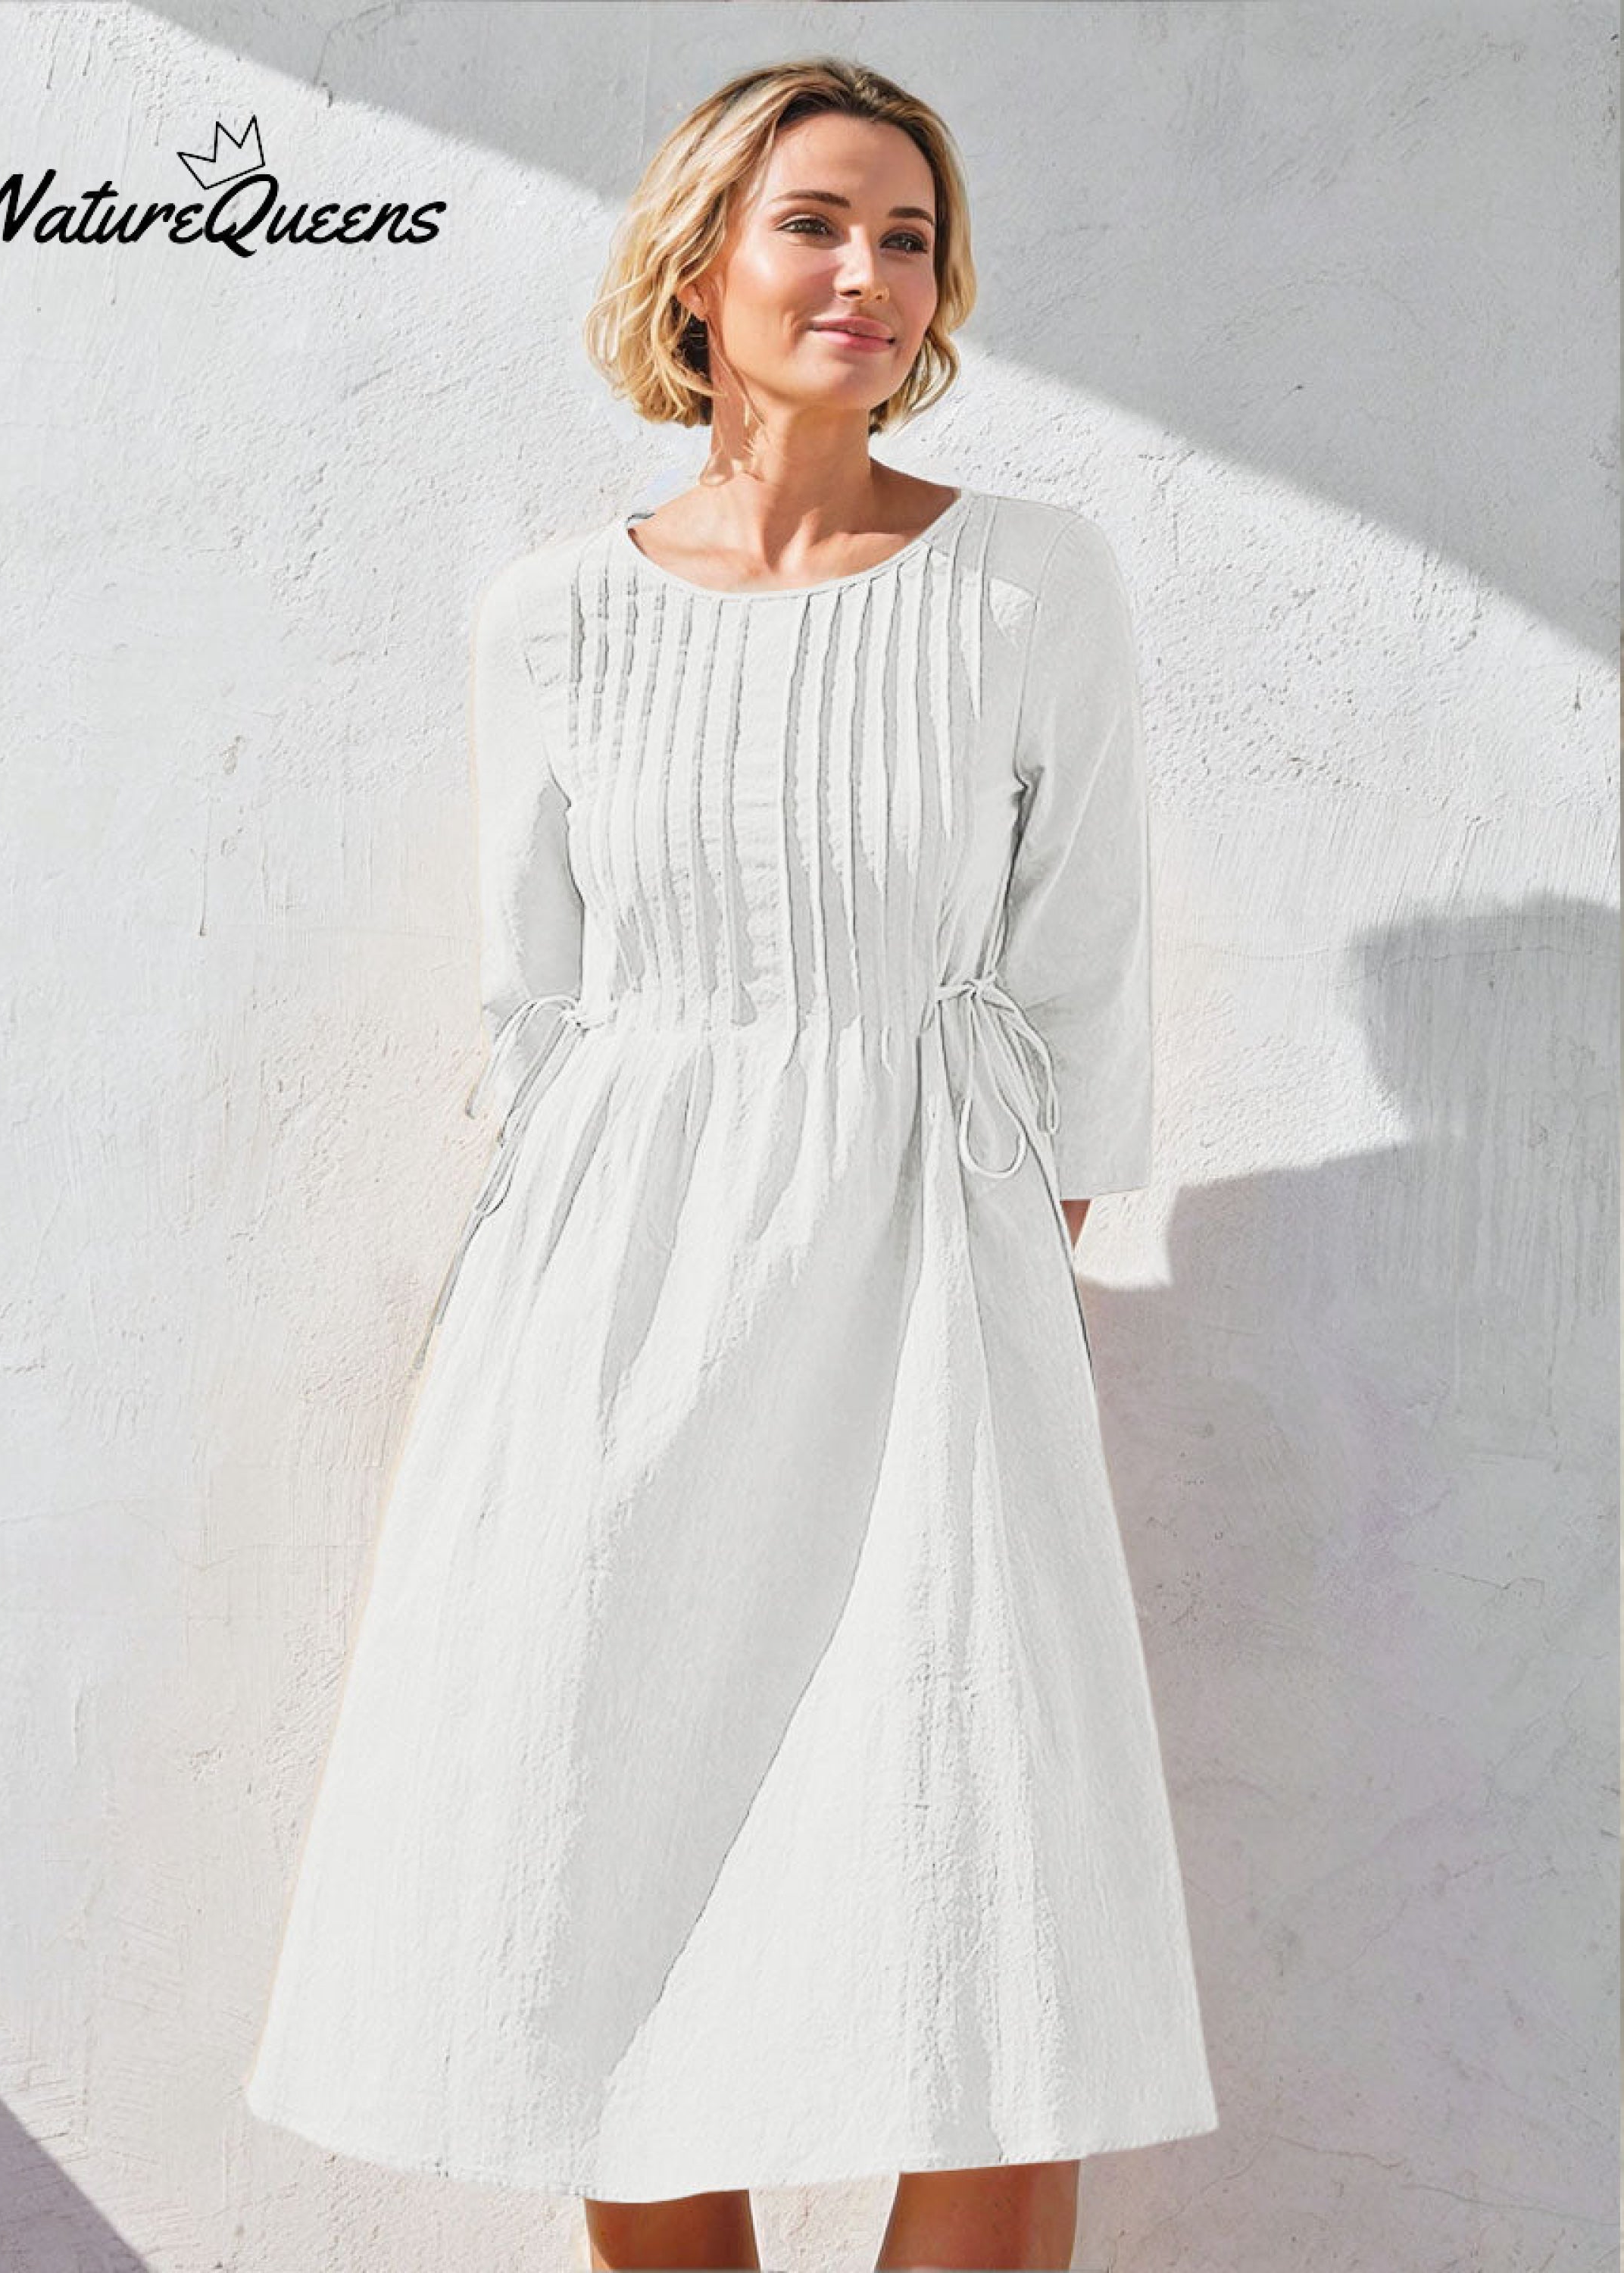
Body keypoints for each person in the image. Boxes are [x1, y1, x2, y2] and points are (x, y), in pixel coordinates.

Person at [242, 55, 1218, 2273]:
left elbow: (1080, 993)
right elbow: (533, 1009)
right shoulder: (554, 615)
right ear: (698, 265)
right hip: (611, 1301)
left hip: (930, 1296)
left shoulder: (1028, 584)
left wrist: (991, 1267)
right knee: (607, 1879)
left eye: (908, 236)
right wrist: (558, 1320)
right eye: (815, 224)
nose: (869, 272)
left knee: (987, 1918)